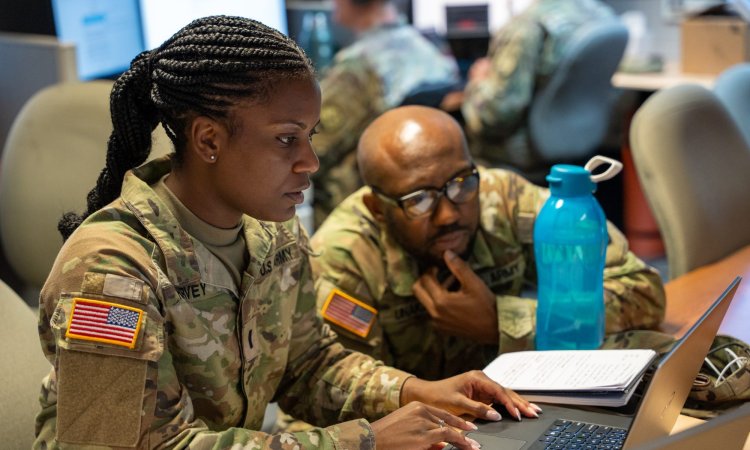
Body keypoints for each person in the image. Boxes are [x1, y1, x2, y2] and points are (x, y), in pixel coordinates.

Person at [33, 16, 539, 449]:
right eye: (286, 139)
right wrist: (364, 440)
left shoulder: (270, 233)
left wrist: (414, 392)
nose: (311, 162)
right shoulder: (108, 270)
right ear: (209, 138)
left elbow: (309, 365)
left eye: (310, 136)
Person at [310, 105, 666, 380]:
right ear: (378, 209)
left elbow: (643, 292)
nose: (449, 213)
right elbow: (338, 389)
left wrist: (502, 320)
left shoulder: (505, 200)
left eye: (461, 181)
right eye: (419, 199)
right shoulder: (344, 256)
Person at [311, 0, 461, 227]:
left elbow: (312, 149)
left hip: (362, 216)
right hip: (427, 202)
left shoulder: (358, 67)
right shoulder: (430, 49)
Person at [461, 0, 617, 184]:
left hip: (520, 159)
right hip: (582, 145)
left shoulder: (526, 28)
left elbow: (497, 114)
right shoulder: (603, 15)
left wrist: (478, 83)